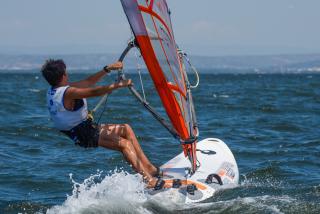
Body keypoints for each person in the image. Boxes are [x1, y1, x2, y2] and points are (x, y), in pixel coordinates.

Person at [41, 59, 163, 188]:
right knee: (124, 144)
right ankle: (148, 180)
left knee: (125, 129)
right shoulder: (69, 92)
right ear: (63, 75)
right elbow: (93, 92)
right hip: (83, 133)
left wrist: (107, 69)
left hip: (84, 128)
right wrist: (117, 85)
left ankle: (149, 168)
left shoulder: (54, 90)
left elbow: (88, 82)